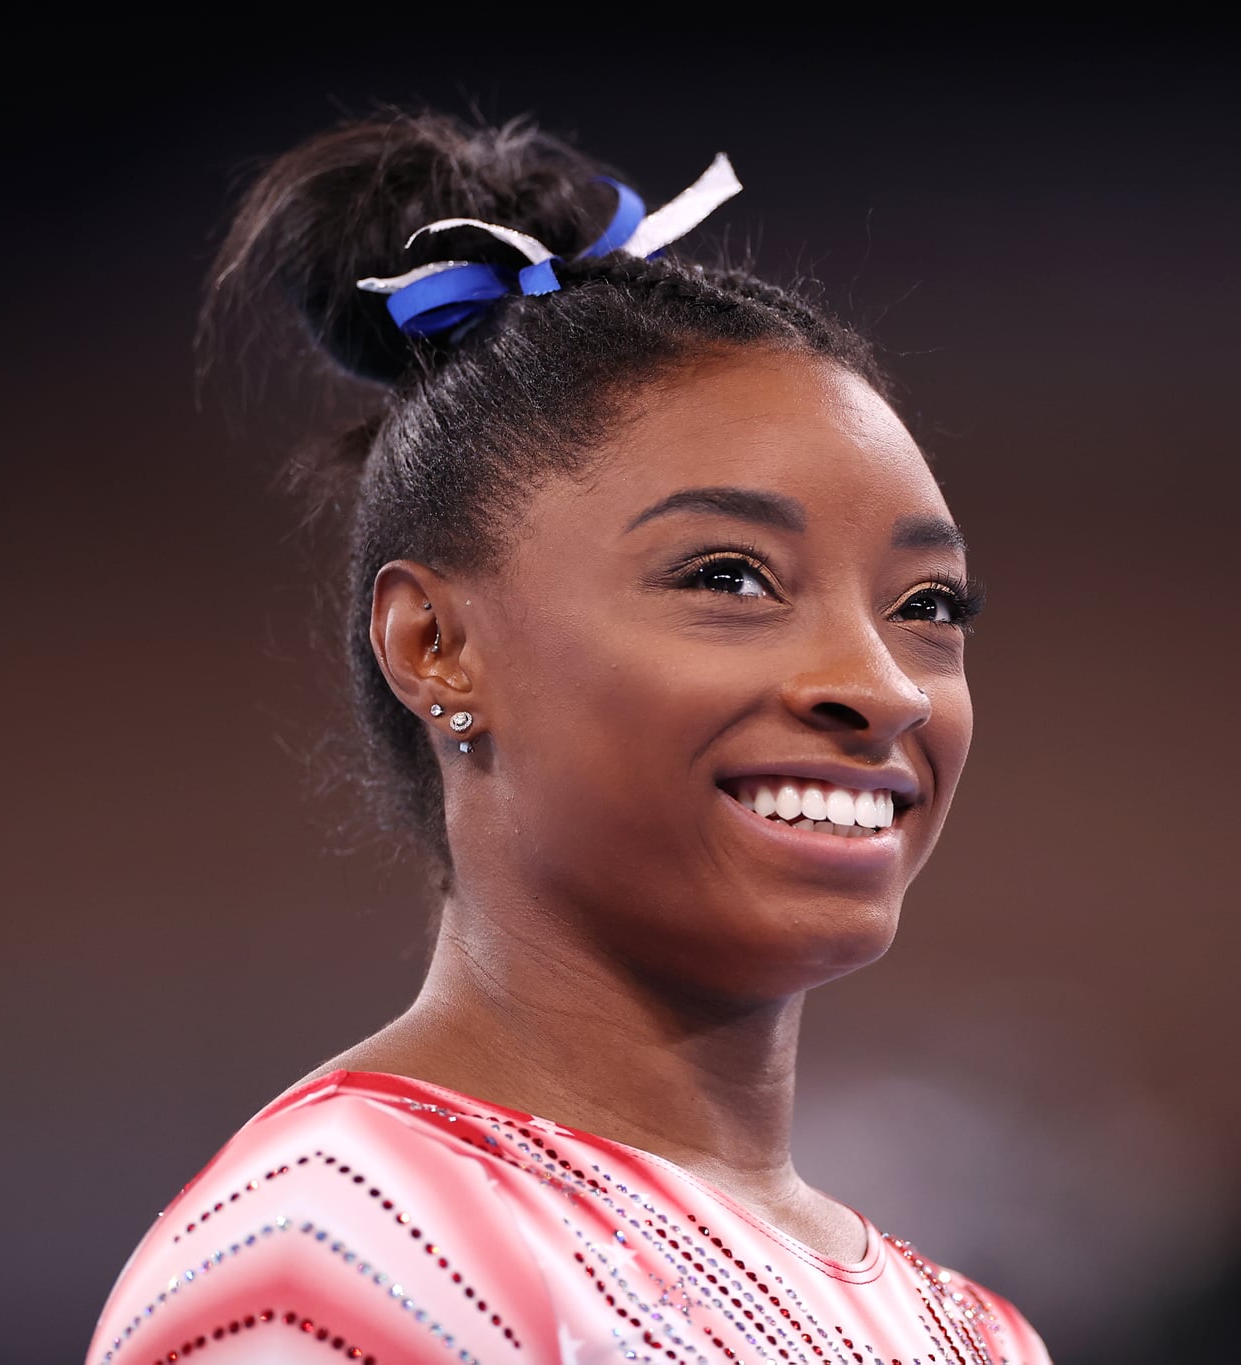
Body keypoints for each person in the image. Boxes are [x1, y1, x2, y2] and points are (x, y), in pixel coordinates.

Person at [85, 110, 1052, 1365]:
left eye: (928, 607)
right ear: (436, 645)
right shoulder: (336, 1259)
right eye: (730, 576)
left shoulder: (972, 1333)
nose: (882, 688)